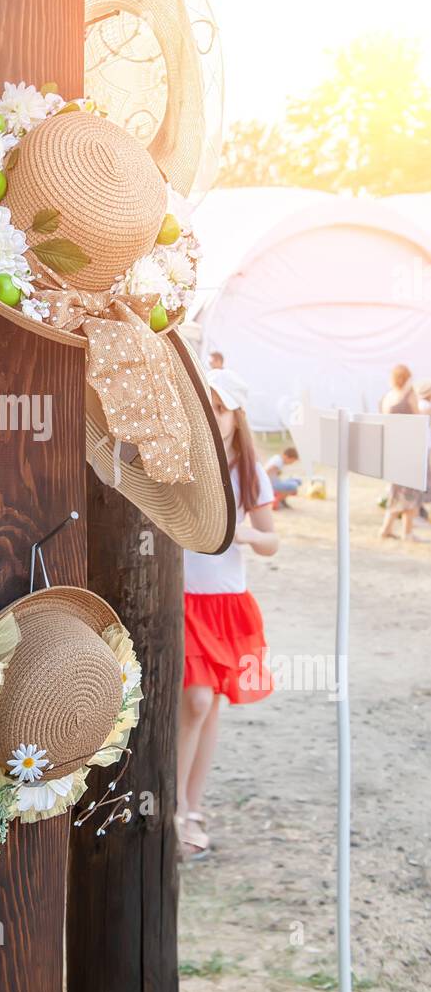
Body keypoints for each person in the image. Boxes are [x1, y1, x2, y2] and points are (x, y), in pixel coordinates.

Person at [178, 368, 278, 860]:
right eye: (207, 407)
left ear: (236, 416)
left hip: (227, 599)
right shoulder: (183, 460)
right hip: (186, 596)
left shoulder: (248, 471)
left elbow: (271, 541)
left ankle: (191, 807)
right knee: (195, 700)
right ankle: (173, 809)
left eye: (221, 408)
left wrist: (246, 534)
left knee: (210, 702)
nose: (214, 417)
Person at [379, 365, 424, 541]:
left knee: (396, 490)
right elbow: (419, 421)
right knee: (411, 491)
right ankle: (407, 532)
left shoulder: (388, 396)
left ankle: (386, 529)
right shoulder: (409, 395)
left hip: (393, 447)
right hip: (409, 447)